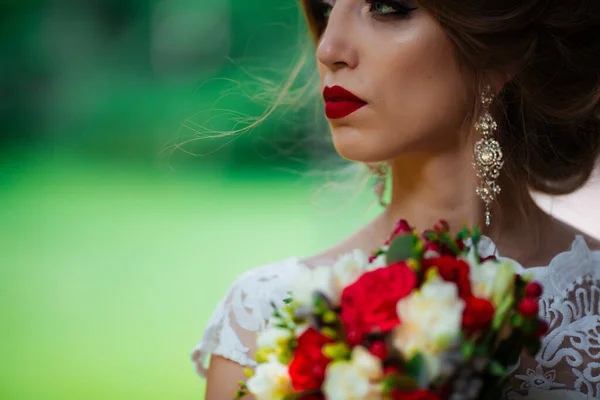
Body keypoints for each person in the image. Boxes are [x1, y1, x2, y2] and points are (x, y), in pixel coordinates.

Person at [191, 0, 600, 398]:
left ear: (501, 49)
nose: (328, 49)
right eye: (325, 8)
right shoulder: (261, 318)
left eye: (387, 6)